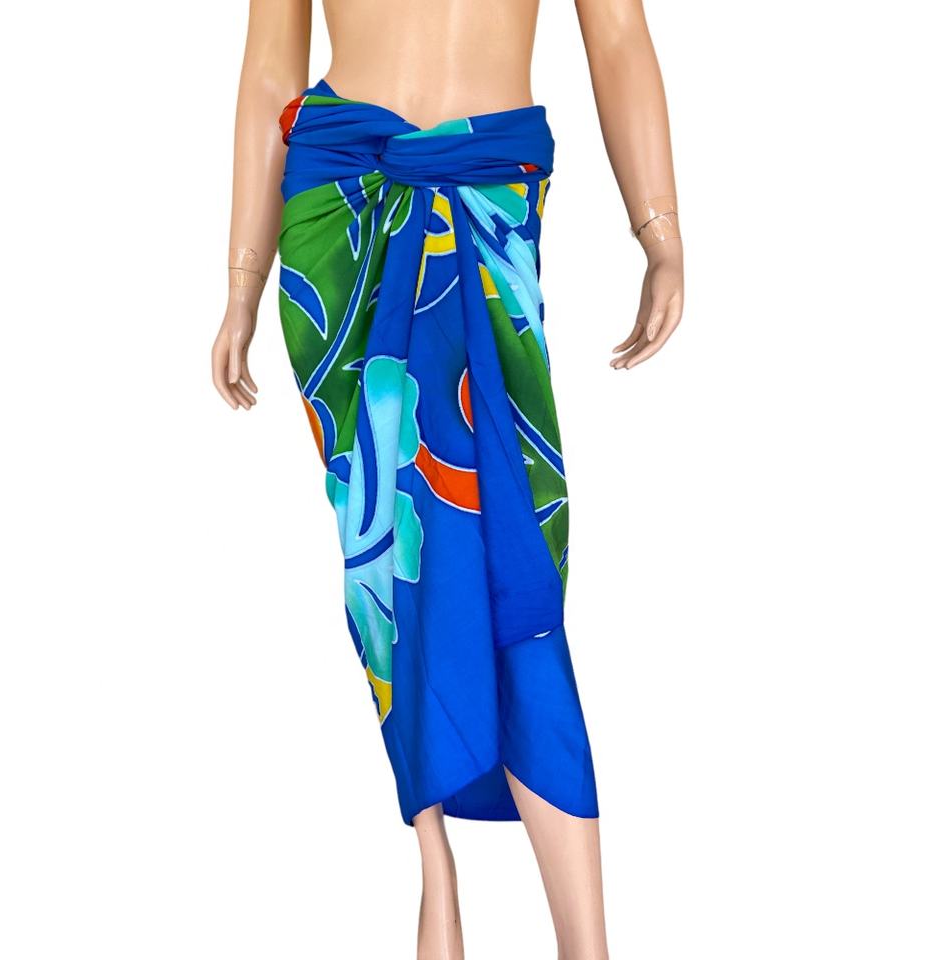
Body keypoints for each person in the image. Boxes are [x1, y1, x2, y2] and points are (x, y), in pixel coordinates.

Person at [211, 2, 684, 957]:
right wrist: (243, 282)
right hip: (340, 207)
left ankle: (560, 933)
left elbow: (619, 34)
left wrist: (660, 229)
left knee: (512, 557)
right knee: (391, 556)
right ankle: (438, 866)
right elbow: (269, 70)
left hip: (487, 193)